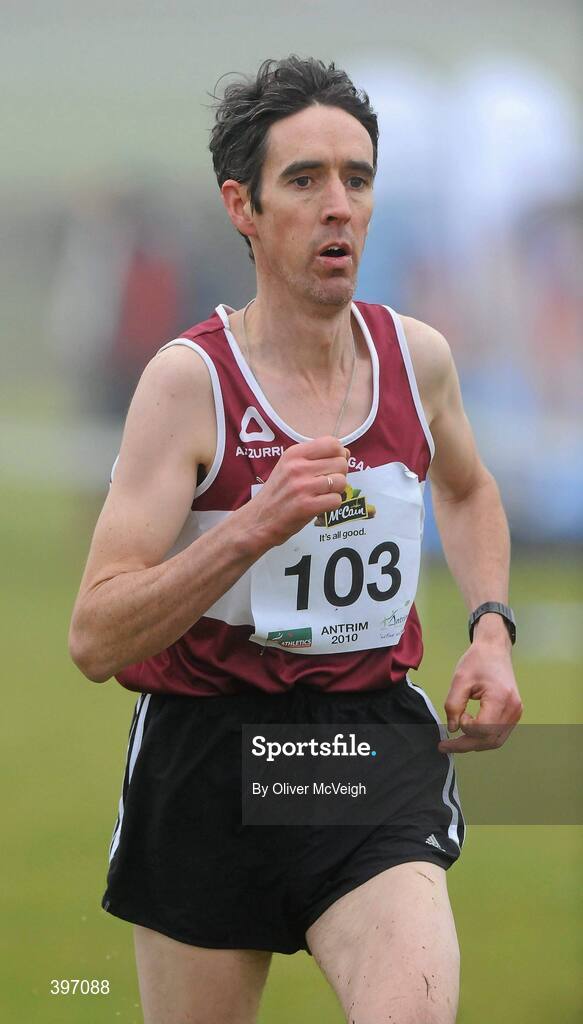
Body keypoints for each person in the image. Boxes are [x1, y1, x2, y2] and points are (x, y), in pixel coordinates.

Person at [69, 56, 523, 1024]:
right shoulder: (188, 383)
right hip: (207, 758)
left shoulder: (417, 357)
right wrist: (252, 527)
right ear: (242, 204)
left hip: (368, 745)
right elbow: (97, 637)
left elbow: (469, 487)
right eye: (304, 180)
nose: (338, 207)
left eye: (356, 179)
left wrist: (488, 627)